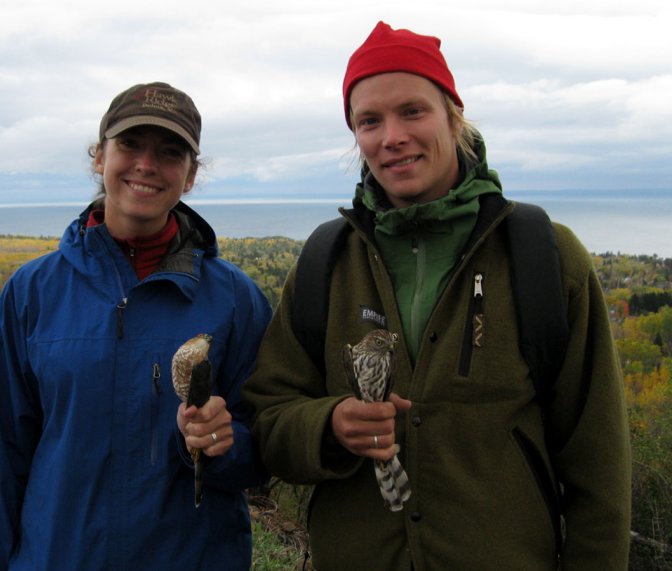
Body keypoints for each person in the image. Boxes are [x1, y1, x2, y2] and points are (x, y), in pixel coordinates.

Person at [242, 21, 631, 570]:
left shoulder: (545, 256)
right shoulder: (325, 263)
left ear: (453, 115)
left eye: (412, 111)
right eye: (368, 121)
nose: (391, 136)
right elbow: (268, 417)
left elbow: (599, 462)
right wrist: (327, 426)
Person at [0, 82, 272, 570]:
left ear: (190, 176)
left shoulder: (234, 300)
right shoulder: (32, 293)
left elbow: (264, 449)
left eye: (170, 153)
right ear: (99, 156)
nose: (146, 165)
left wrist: (217, 445)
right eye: (130, 145)